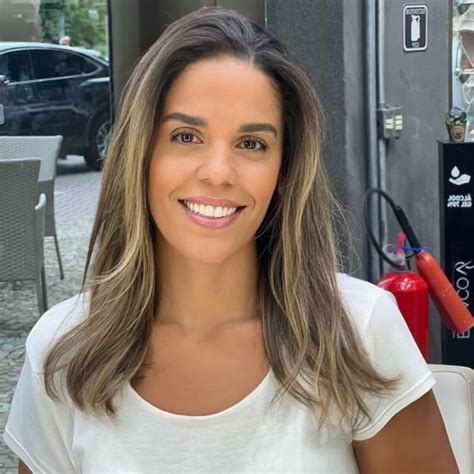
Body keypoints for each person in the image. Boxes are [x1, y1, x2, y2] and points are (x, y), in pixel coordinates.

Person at [4, 7, 458, 473]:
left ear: (284, 171)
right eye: (186, 136)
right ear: (140, 153)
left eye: (252, 144)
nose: (219, 172)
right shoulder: (63, 351)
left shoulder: (358, 332)